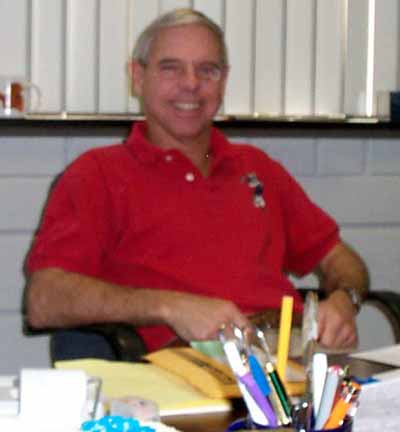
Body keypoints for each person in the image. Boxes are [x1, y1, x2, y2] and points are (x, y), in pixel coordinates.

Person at [25, 8, 369, 354]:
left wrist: (344, 300)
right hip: (188, 373)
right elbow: (44, 300)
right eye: (171, 68)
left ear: (224, 81)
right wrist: (168, 307)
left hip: (293, 361)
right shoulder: (96, 175)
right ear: (137, 77)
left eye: (208, 70)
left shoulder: (256, 168)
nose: (191, 83)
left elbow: (339, 259)